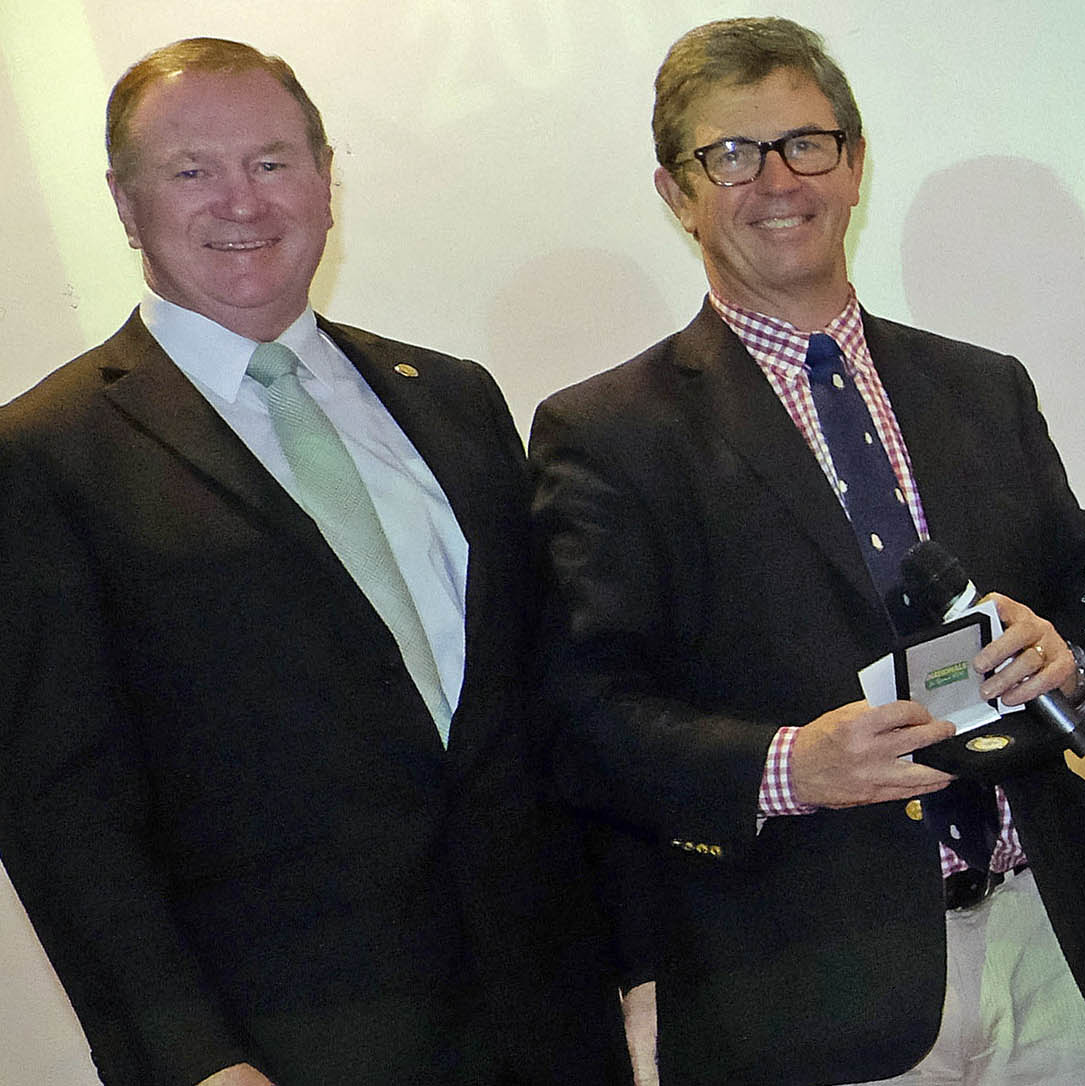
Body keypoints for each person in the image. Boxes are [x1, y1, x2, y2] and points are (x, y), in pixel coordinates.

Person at [530, 17, 1085, 1086]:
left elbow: (1083, 599)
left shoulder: (983, 387)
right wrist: (789, 767)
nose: (778, 180)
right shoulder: (609, 433)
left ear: (855, 164)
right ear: (677, 194)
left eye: (805, 144)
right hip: (809, 986)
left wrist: (1070, 657)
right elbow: (586, 719)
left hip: (1045, 940)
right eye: (732, 154)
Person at [0, 38, 629, 1086]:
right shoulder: (44, 457)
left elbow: (553, 707)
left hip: (553, 1022)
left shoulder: (454, 398)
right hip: (291, 1051)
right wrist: (194, 1062)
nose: (241, 201)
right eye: (191, 171)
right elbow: (64, 812)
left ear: (326, 179)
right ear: (123, 203)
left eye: (272, 162)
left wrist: (639, 963)